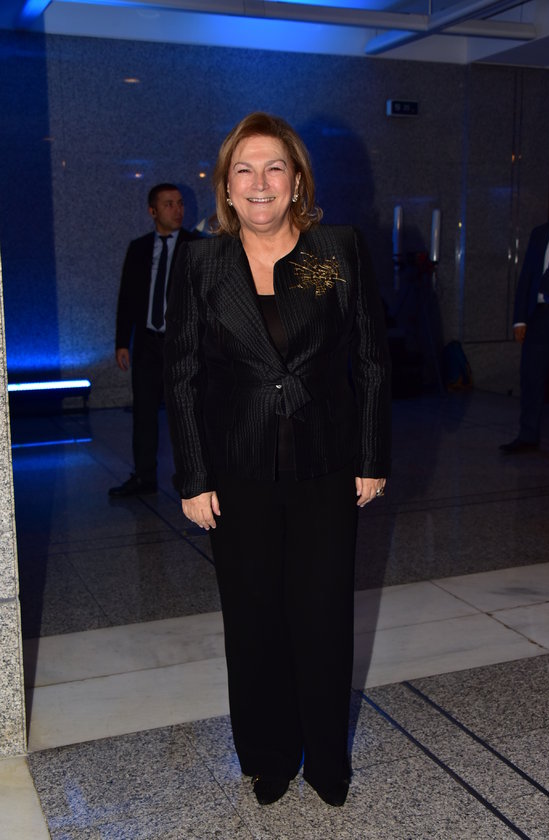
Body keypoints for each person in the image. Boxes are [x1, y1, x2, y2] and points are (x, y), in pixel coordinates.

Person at [164, 113, 391, 807]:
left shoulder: (332, 252)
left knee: (322, 617)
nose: (259, 182)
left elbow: (369, 359)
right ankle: (268, 756)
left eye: (273, 168)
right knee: (253, 619)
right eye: (244, 169)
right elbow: (182, 375)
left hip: (326, 465)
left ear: (296, 182)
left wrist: (370, 455)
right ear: (226, 187)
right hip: (238, 472)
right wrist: (193, 476)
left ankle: (326, 760)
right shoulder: (204, 264)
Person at [109, 183, 199, 497]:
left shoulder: (195, 246)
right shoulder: (139, 248)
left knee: (186, 413)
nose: (178, 210)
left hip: (182, 344)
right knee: (144, 412)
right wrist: (122, 341)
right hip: (147, 343)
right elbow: (127, 297)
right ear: (153, 211)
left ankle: (193, 477)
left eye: (180, 203)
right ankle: (144, 476)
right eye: (169, 204)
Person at [500, 180, 549, 460]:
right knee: (531, 376)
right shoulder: (540, 234)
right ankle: (528, 434)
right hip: (539, 316)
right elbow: (526, 276)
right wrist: (519, 320)